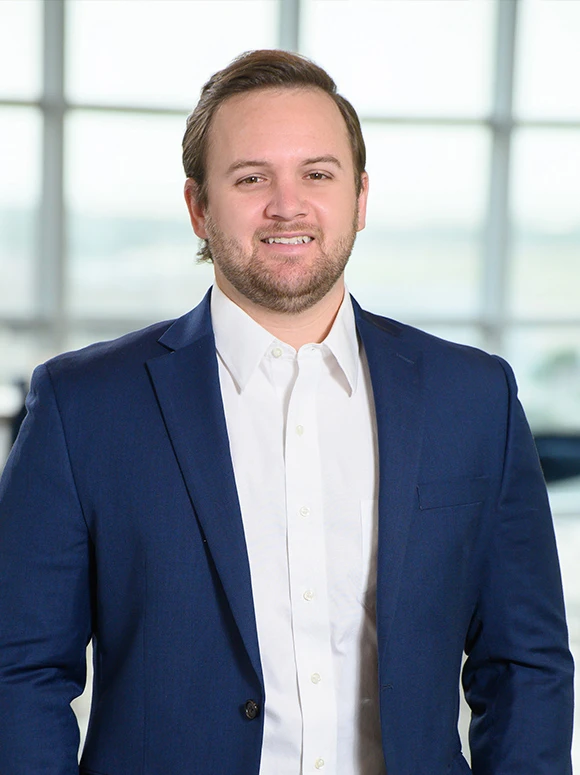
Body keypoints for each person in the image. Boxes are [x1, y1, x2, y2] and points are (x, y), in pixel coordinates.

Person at [0, 49, 573, 775]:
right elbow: (19, 669)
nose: (287, 204)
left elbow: (525, 665)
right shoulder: (83, 407)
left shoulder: (475, 398)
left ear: (360, 197)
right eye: (250, 178)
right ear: (199, 208)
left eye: (318, 173)